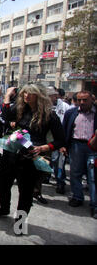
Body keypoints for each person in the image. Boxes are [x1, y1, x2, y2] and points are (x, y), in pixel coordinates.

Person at [0, 84, 66, 233]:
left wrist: (42, 148)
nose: (26, 96)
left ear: (39, 95)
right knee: (3, 183)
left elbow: (61, 140)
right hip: (11, 154)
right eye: (24, 93)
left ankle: (21, 222)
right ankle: (4, 208)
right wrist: (6, 98)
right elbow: (4, 117)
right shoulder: (19, 109)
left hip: (30, 158)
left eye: (31, 93)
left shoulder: (49, 115)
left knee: (26, 193)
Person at [62, 90, 97, 219]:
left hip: (93, 148)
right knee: (75, 173)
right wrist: (64, 146)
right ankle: (77, 197)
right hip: (76, 146)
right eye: (79, 100)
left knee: (93, 176)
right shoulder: (71, 113)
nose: (82, 103)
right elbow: (65, 130)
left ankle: (95, 204)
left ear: (92, 100)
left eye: (85, 100)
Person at [46, 86, 72, 194]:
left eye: (49, 95)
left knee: (58, 162)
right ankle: (46, 177)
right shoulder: (44, 106)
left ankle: (60, 182)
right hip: (46, 138)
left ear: (55, 96)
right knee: (47, 160)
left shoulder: (65, 107)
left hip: (58, 139)